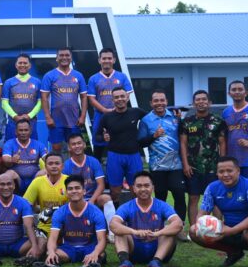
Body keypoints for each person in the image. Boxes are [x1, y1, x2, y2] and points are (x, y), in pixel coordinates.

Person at [190, 156, 248, 267]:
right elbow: (202, 214)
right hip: (228, 230)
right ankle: (234, 253)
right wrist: (204, 226)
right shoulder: (212, 188)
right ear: (217, 173)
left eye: (229, 171)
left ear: (238, 171)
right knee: (194, 230)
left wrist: (231, 230)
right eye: (221, 171)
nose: (225, 174)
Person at [109, 171, 183, 267]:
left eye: (147, 185)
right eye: (139, 186)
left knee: (169, 231)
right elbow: (113, 224)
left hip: (157, 248)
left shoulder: (162, 205)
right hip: (134, 249)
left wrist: (158, 233)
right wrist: (134, 232)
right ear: (134, 188)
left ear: (152, 187)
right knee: (120, 231)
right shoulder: (126, 206)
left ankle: (156, 262)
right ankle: (125, 262)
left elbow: (178, 224)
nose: (143, 189)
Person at [32, 175, 107, 267]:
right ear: (66, 192)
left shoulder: (96, 212)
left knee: (100, 253)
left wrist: (95, 252)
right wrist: (51, 252)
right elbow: (53, 238)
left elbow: (102, 239)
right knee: (55, 254)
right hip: (68, 248)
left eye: (77, 188)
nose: (74, 191)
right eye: (70, 189)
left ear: (84, 191)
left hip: (90, 247)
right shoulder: (60, 212)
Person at [138, 90, 188, 238]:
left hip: (176, 165)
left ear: (166, 101)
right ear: (151, 103)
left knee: (179, 194)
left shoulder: (175, 116)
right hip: (157, 166)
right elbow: (140, 142)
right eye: (156, 101)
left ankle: (179, 228)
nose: (159, 103)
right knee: (160, 196)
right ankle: (159, 227)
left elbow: (183, 136)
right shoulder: (146, 120)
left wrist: (181, 120)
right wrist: (153, 136)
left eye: (162, 100)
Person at [179, 90, 226, 229]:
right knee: (193, 198)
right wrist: (185, 164)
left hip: (213, 167)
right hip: (192, 168)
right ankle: (194, 229)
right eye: (198, 99)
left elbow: (222, 143)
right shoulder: (187, 122)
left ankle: (217, 228)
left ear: (209, 102)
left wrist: (221, 167)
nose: (201, 102)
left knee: (215, 199)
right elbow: (183, 143)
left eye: (204, 99)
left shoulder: (218, 121)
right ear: (194, 103)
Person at [96, 87, 148, 202]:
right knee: (115, 191)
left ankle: (136, 216)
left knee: (136, 189)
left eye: (122, 96)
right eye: (116, 97)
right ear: (112, 100)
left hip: (133, 155)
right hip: (115, 156)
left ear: (127, 98)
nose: (120, 99)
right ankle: (115, 217)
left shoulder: (136, 112)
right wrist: (103, 138)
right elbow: (97, 136)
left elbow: (152, 119)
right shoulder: (107, 117)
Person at [87, 48, 133, 161]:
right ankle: (97, 175)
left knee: (118, 145)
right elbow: (91, 99)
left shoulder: (122, 77)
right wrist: (105, 110)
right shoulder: (93, 78)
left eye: (109, 58)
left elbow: (127, 95)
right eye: (104, 58)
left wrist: (117, 109)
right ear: (99, 60)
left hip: (119, 116)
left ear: (114, 60)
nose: (106, 60)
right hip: (100, 116)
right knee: (98, 147)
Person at [40, 47, 88, 153]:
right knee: (56, 148)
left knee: (74, 148)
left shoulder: (78, 75)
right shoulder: (49, 75)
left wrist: (83, 116)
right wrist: (48, 117)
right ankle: (58, 170)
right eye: (61, 55)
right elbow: (44, 97)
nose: (64, 57)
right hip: (56, 120)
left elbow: (84, 97)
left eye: (67, 55)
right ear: (56, 58)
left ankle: (71, 169)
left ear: (71, 57)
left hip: (74, 120)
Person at [23, 152, 68, 258]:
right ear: (45, 166)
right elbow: (25, 205)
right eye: (50, 163)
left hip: (66, 225)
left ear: (62, 166)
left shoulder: (68, 181)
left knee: (59, 251)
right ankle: (32, 258)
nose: (53, 166)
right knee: (39, 250)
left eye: (57, 163)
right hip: (44, 225)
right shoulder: (37, 182)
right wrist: (32, 220)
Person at [1, 54, 41, 141]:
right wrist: (15, 116)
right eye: (20, 63)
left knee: (33, 147)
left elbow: (40, 103)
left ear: (30, 65)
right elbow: (4, 104)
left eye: (25, 63)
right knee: (12, 148)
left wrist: (29, 116)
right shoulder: (8, 82)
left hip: (31, 122)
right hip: (12, 122)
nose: (22, 65)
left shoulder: (37, 82)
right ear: (16, 65)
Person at [2, 119, 48, 193]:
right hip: (17, 179)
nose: (23, 132)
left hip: (35, 178)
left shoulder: (38, 144)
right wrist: (12, 159)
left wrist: (48, 159)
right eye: (21, 130)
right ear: (16, 132)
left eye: (26, 130)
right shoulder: (9, 143)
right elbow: (5, 159)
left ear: (30, 131)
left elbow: (47, 158)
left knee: (46, 171)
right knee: (8, 174)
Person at [62, 133, 105, 203]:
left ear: (84, 145)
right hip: (73, 199)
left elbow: (101, 185)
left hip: (93, 198)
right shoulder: (66, 165)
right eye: (73, 144)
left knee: (106, 198)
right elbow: (63, 188)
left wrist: (91, 201)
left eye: (79, 143)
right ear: (69, 147)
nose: (77, 146)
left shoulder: (93, 161)